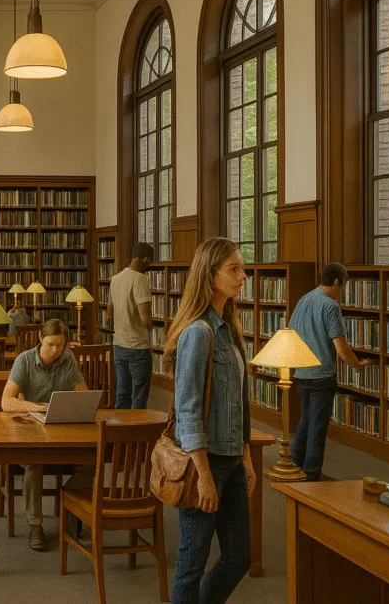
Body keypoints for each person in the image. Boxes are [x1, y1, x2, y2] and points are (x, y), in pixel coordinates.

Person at [164, 237, 254, 604]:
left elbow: (241, 401)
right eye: (233, 269)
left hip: (231, 458)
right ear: (209, 274)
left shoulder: (229, 331)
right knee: (191, 563)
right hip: (206, 461)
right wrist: (203, 473)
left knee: (238, 557)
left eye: (242, 267)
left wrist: (246, 455)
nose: (243, 275)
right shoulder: (198, 334)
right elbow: (187, 409)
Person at [1, 319, 91, 551]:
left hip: (60, 430)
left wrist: (72, 406)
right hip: (30, 428)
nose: (56, 350)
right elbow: (6, 401)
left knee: (92, 461)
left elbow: (84, 395)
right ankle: (35, 525)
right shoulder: (24, 360)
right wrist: (38, 407)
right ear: (41, 338)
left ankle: (70, 506)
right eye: (51, 344)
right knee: (34, 463)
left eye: (60, 345)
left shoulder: (67, 358)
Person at [289, 263, 374, 482]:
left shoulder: (304, 300)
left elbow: (291, 333)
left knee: (305, 420)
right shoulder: (330, 306)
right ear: (338, 282)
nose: (341, 292)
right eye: (342, 287)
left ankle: (294, 466)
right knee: (317, 426)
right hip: (322, 375)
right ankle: (311, 475)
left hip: (301, 372)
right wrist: (357, 365)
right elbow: (341, 347)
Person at [108, 242, 154, 409]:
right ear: (146, 259)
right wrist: (148, 328)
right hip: (137, 346)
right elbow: (146, 319)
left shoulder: (116, 278)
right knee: (139, 395)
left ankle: (120, 432)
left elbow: (109, 311)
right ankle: (137, 433)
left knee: (122, 391)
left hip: (118, 344)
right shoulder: (140, 279)